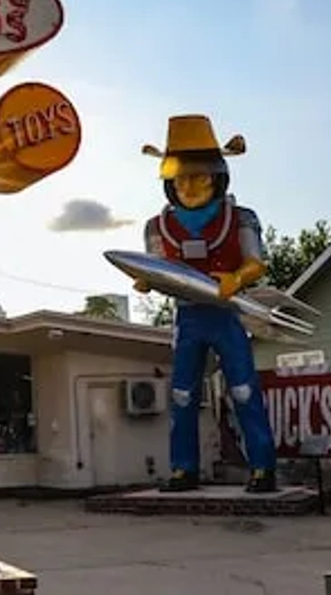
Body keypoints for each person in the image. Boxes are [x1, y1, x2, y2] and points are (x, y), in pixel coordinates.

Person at [132, 114, 277, 494]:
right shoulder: (157, 227)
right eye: (181, 178)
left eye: (199, 177)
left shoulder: (240, 218)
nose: (190, 186)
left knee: (244, 389)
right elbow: (159, 268)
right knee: (182, 395)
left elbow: (255, 262)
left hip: (227, 315)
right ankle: (184, 468)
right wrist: (147, 280)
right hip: (188, 317)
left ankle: (262, 466)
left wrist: (237, 279)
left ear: (217, 177)